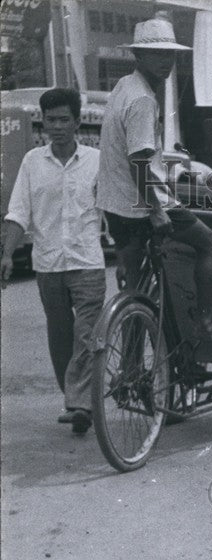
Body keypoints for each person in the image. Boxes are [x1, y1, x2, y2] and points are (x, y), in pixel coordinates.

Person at [97, 13, 212, 342]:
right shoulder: (143, 99)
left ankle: (129, 365)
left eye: (169, 54)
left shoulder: (124, 87)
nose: (166, 61)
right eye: (157, 53)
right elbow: (139, 160)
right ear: (138, 55)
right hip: (146, 205)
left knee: (137, 290)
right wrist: (155, 210)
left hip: (115, 206)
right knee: (209, 243)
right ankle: (204, 321)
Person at [1, 87, 105, 435]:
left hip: (87, 261)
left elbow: (116, 205)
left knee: (85, 334)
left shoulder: (96, 161)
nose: (57, 126)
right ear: (42, 123)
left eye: (64, 119)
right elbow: (18, 212)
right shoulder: (33, 162)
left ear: (77, 122)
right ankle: (76, 400)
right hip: (47, 264)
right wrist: (6, 255)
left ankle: (80, 403)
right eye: (51, 120)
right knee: (60, 338)